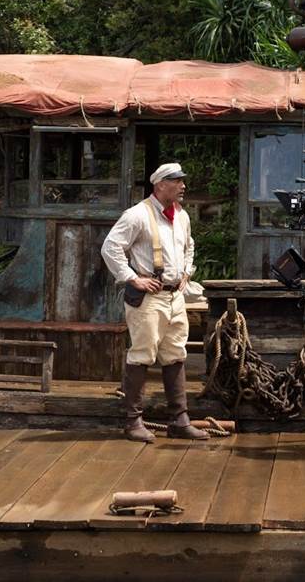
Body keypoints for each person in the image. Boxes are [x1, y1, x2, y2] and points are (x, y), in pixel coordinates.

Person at [101, 162, 207, 443]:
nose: (183, 185)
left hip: (174, 296)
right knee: (142, 354)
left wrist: (186, 271)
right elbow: (110, 247)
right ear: (160, 185)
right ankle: (133, 421)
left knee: (176, 352)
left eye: (183, 180)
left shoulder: (181, 215)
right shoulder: (137, 215)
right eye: (177, 181)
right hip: (148, 297)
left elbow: (189, 246)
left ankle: (179, 419)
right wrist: (131, 278)